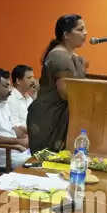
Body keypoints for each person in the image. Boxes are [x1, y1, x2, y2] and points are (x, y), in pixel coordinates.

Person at [27, 14, 88, 153]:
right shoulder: (59, 56)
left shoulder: (74, 57)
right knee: (48, 162)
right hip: (49, 118)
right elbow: (65, 93)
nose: (85, 33)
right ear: (66, 34)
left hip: (61, 116)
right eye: (80, 29)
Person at [8, 64, 36, 132]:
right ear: (18, 81)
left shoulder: (29, 98)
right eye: (29, 78)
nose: (33, 80)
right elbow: (14, 125)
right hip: (20, 136)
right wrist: (33, 131)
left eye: (33, 77)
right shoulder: (10, 98)